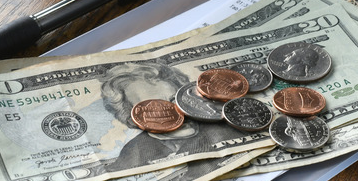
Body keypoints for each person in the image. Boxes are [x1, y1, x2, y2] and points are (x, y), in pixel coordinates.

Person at [99, 61, 256, 171]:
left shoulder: (231, 130)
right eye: (155, 107)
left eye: (175, 99)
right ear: (131, 119)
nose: (177, 111)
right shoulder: (132, 155)